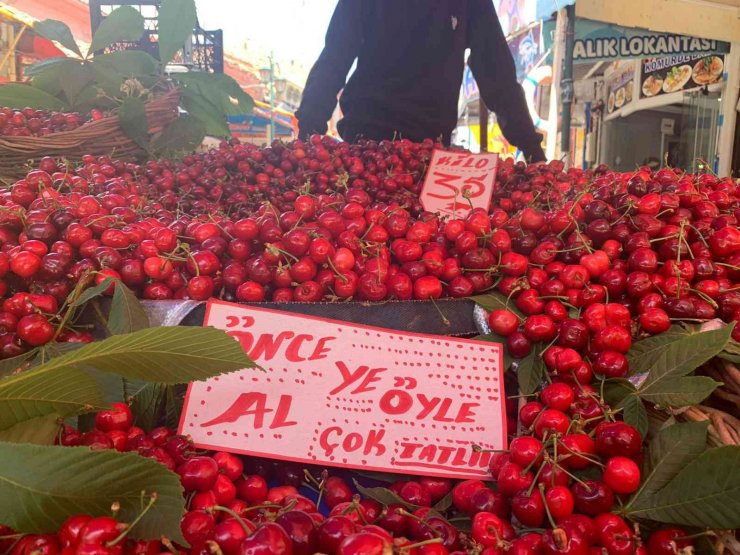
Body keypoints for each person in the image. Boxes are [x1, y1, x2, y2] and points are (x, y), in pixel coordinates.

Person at [296, 0, 546, 162]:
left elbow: (496, 70)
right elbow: (335, 56)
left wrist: (530, 146)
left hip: (431, 152)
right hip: (366, 143)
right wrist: (308, 130)